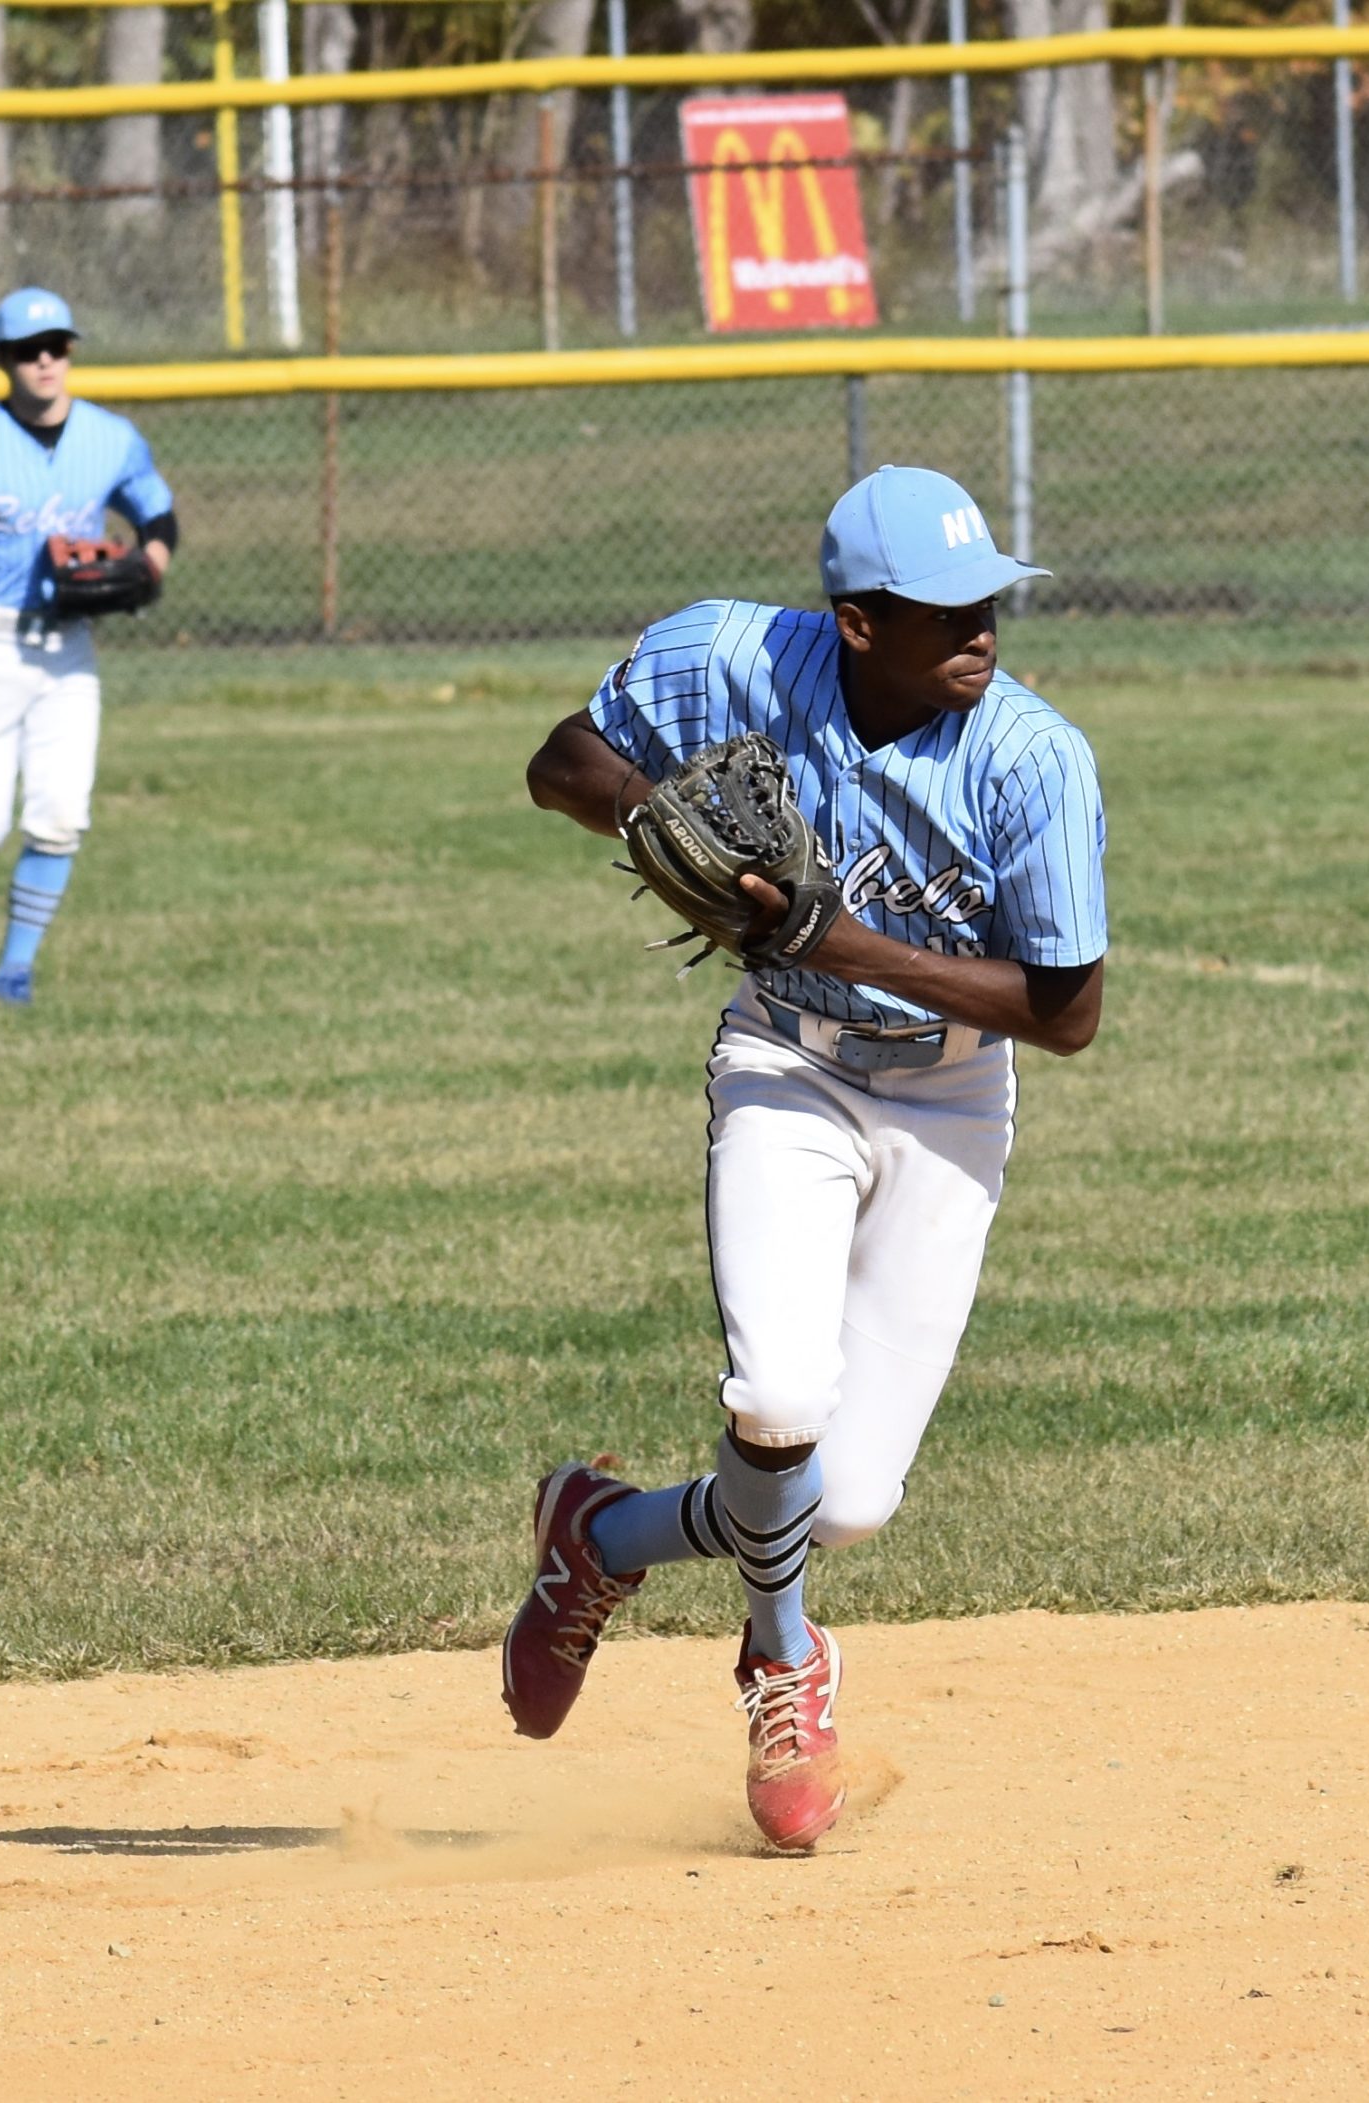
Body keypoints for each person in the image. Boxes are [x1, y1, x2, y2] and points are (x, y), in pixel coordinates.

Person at [505, 465, 1109, 1851]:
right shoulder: (736, 654)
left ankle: (597, 1536)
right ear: (854, 621)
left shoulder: (1031, 759)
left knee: (843, 1500)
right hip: (787, 1061)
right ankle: (784, 1667)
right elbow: (561, 765)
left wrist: (835, 936)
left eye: (992, 601)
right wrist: (664, 822)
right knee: (776, 1398)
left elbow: (1066, 1014)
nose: (983, 630)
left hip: (955, 1104)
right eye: (947, 608)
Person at [0, 287, 178, 1006]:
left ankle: (13, 970)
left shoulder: (111, 438)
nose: (44, 361)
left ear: (71, 352)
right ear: (2, 361)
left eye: (57, 347)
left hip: (68, 650)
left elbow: (159, 513)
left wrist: (150, 566)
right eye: (26, 351)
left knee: (61, 813)